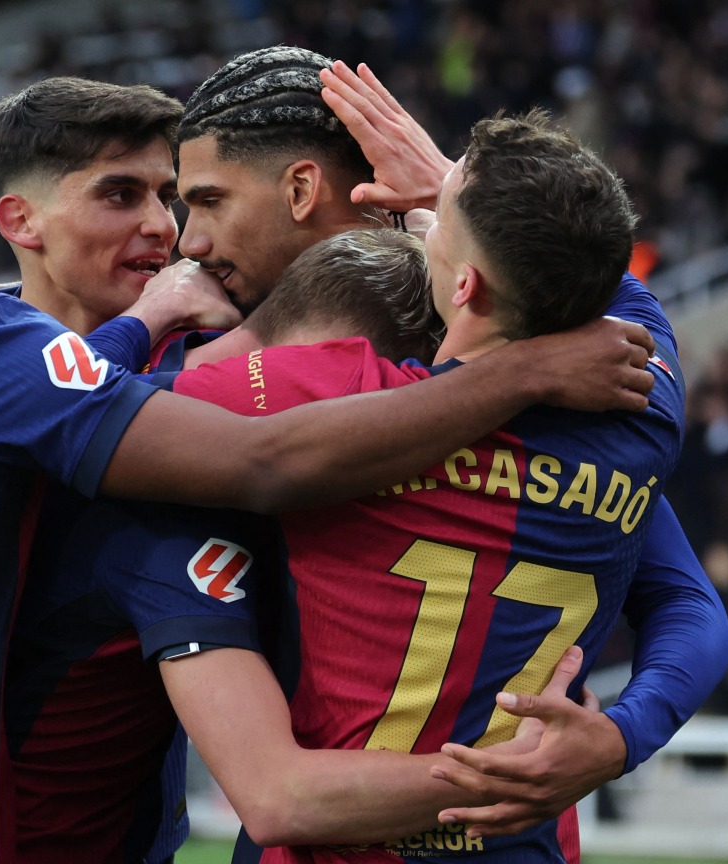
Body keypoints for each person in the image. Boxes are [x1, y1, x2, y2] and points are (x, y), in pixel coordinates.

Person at [0, 41, 654, 864]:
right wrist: (521, 371)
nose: (168, 233)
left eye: (176, 198)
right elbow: (262, 462)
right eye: (123, 196)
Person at [165, 70, 697, 863]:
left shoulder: (331, 392)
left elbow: (106, 411)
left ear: (464, 281)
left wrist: (159, 319)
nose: (417, 213)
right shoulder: (642, 406)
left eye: (439, 213)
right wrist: (619, 737)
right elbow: (691, 607)